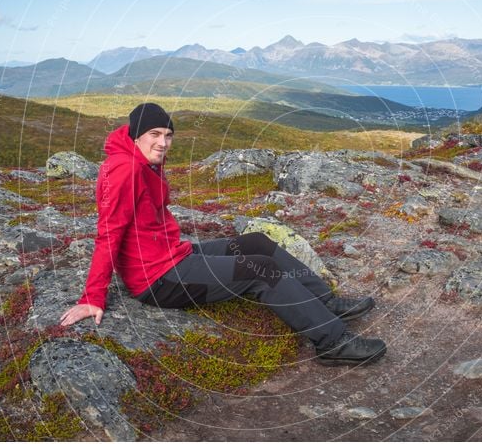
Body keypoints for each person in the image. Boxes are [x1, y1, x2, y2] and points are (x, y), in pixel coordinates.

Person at [60, 102, 387, 366]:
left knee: (257, 242)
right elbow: (108, 233)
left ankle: (324, 302)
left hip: (172, 255)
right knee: (262, 270)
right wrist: (93, 297)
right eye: (155, 134)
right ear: (135, 134)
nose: (163, 142)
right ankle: (331, 342)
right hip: (159, 280)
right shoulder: (126, 169)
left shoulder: (137, 160)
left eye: (168, 135)